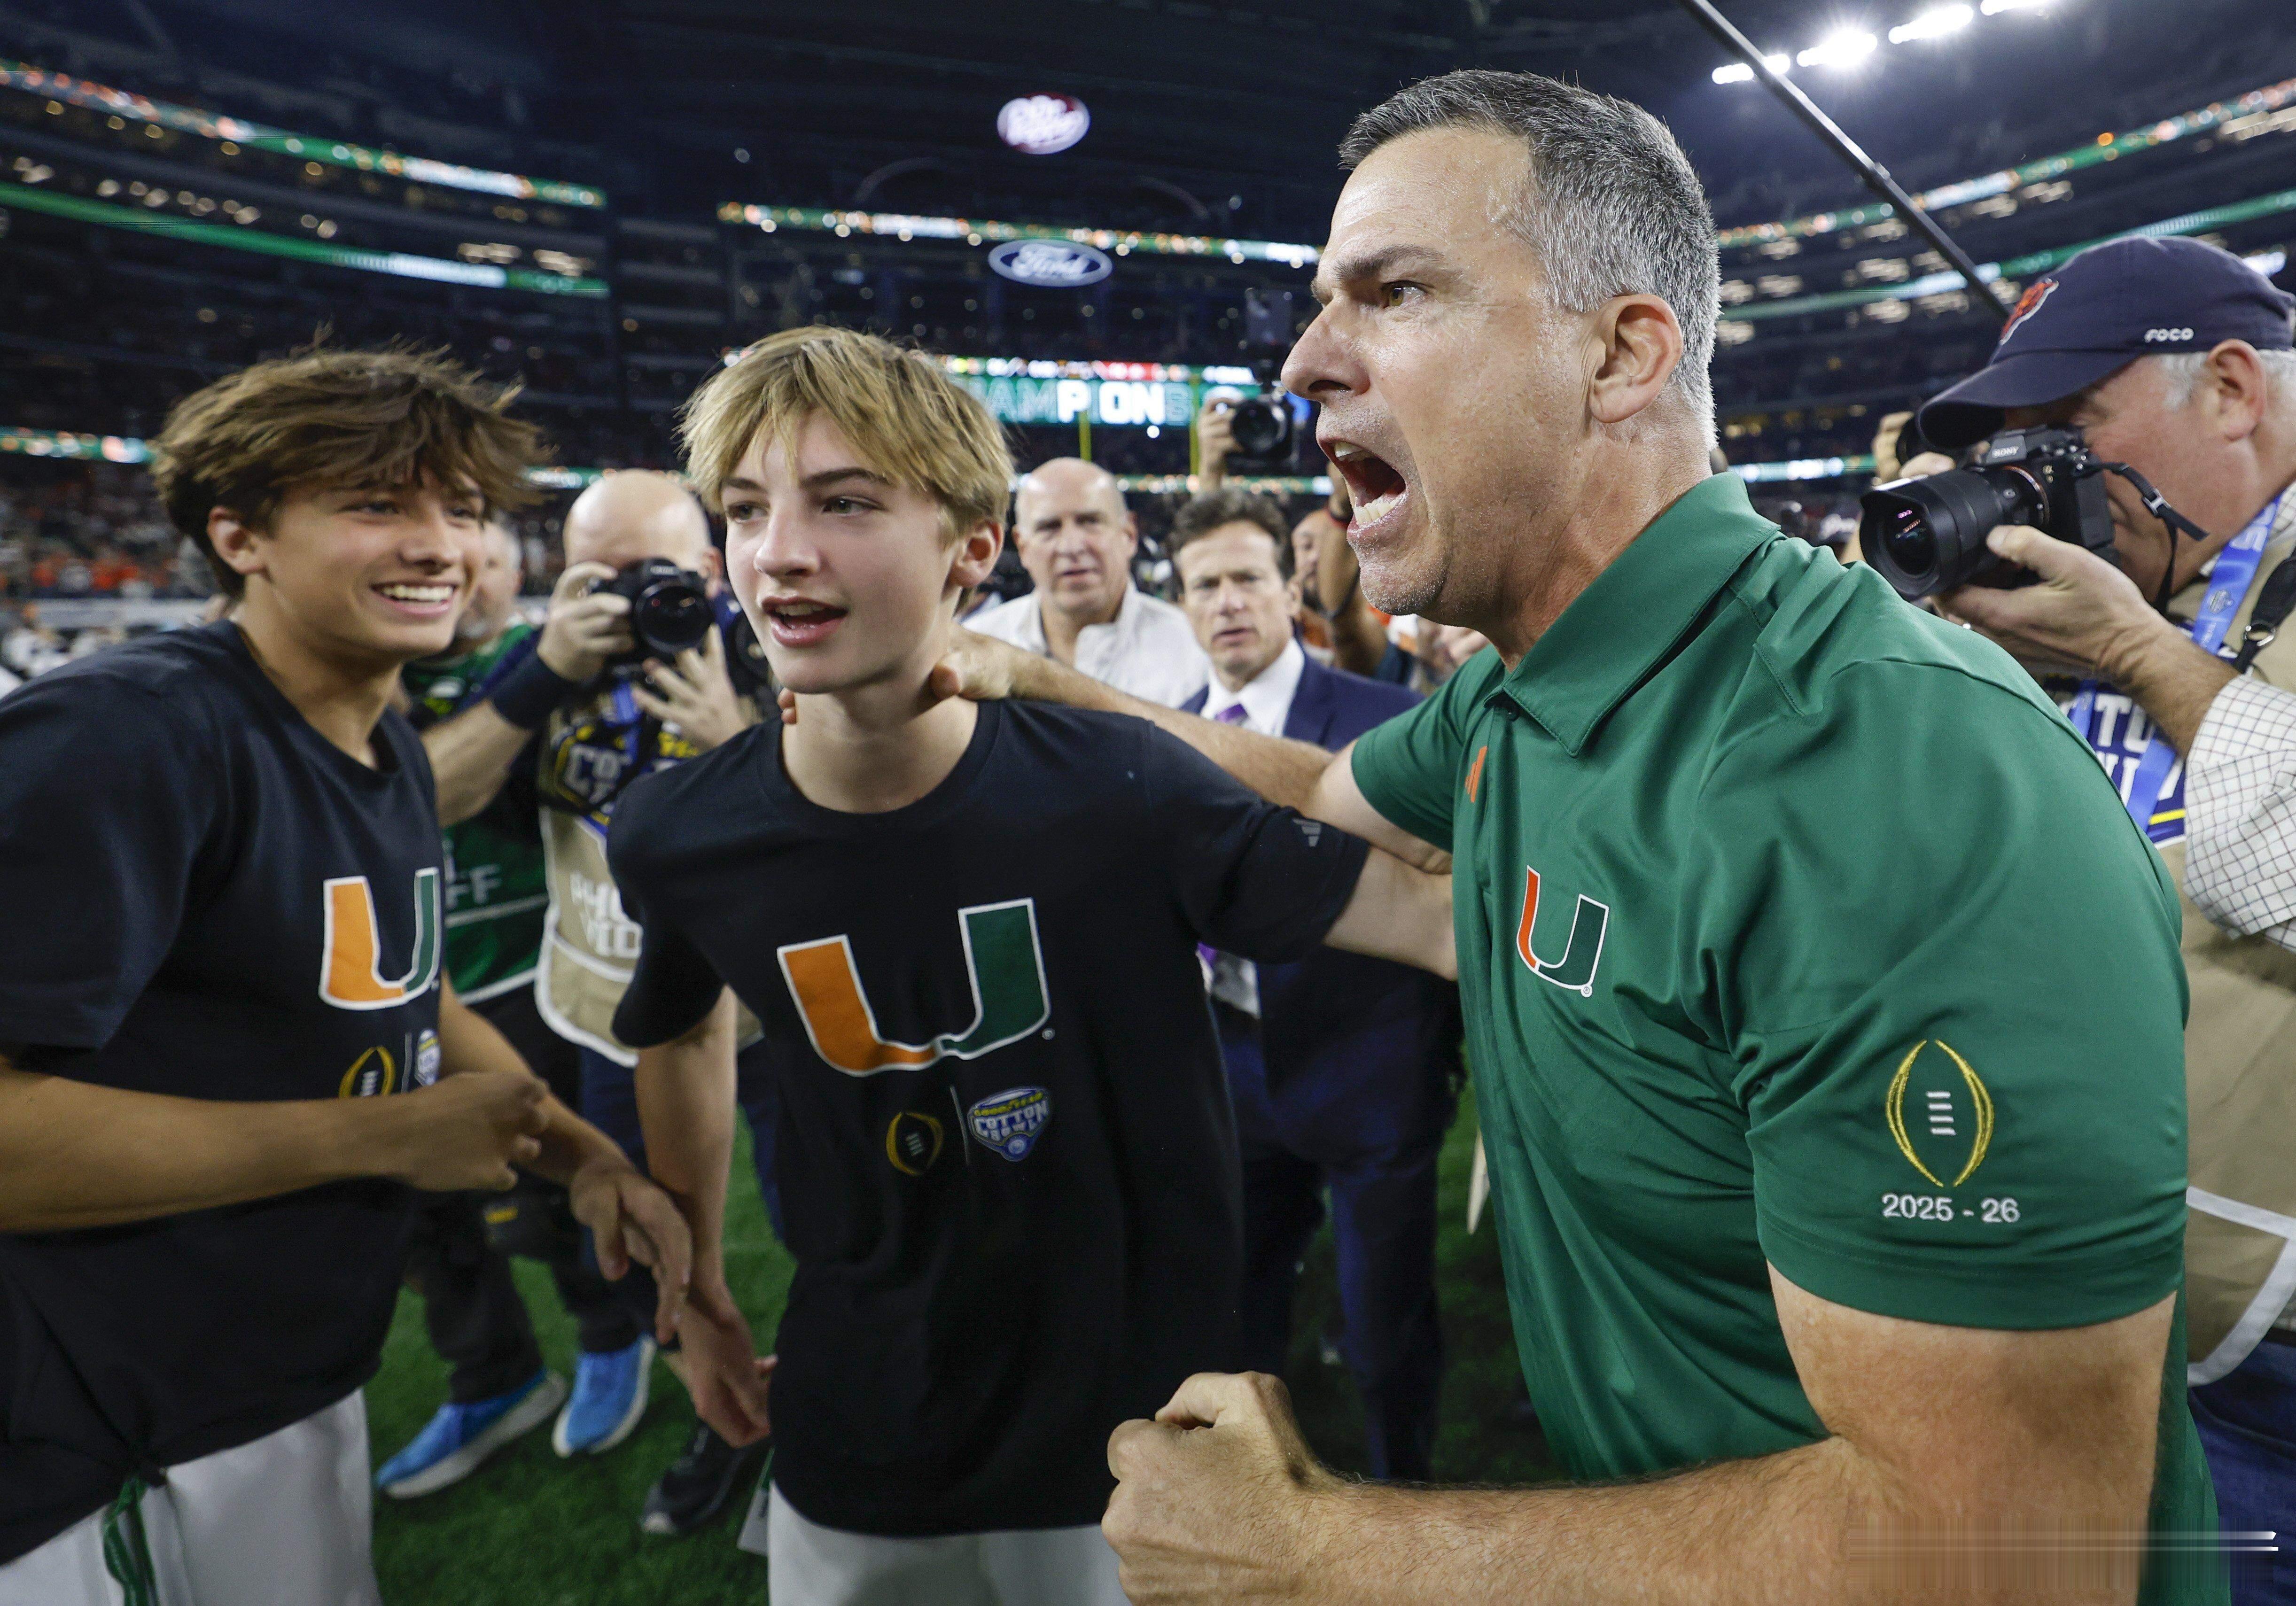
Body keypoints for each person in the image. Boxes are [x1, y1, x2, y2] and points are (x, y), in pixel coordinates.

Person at [930, 69, 2225, 1605]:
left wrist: (1312, 1549)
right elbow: (1315, 792)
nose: (1304, 360)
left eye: (1391, 292)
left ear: (1618, 355)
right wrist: (1039, 685)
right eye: (1322, 303)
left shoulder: (1895, 781)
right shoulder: (1523, 686)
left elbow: (2003, 1552)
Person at [603, 325, 1454, 1606]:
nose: (778, 550)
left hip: (1130, 1442)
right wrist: (702, 1293)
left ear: (970, 547)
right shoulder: (677, 831)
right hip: (856, 1429)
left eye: (843, 502)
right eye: (744, 509)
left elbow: (1440, 912)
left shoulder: (1125, 784)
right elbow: (677, 1028)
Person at [0, 348, 687, 1606]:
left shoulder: (379, 737)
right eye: (377, 502)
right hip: (99, 1430)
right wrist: (378, 1136)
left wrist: (584, 1157)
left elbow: (399, 986)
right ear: (240, 535)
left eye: (464, 508)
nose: (441, 544)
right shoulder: (124, 733)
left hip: (273, 1373)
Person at [1907, 234, 2296, 1601]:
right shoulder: (2095, 592)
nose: (2034, 478)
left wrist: (2132, 649)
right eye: (2011, 446)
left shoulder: (2129, 615)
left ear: (2232, 389)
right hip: (2090, 1291)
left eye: (2067, 430)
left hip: (2273, 1362)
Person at [413, 470, 785, 1535]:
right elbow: (431, 797)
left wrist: (740, 739)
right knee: (636, 1241)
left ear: (708, 568)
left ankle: (812, 1405)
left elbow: (859, 830)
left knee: (828, 1224)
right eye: (595, 576)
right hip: (612, 1014)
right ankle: (723, 1412)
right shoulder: (539, 662)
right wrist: (547, 672)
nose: (624, 599)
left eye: (650, 574)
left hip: (774, 1014)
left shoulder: (770, 642)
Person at [1168, 487, 1458, 1480]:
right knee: (1242, 1309)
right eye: (1204, 584)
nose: (1227, 601)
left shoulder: (1389, 717)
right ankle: (1256, 1488)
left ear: (1286, 586)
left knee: (1384, 1324)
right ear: (1181, 604)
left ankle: (1403, 1490)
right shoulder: (1168, 735)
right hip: (1232, 1071)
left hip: (1369, 1068)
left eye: (1246, 576)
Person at [375, 518, 656, 1499]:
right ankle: (492, 1375)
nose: (468, 574)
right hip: (393, 981)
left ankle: (610, 1335)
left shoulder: (559, 656)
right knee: (416, 1213)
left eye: (490, 558)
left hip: (526, 970)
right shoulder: (361, 665)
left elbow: (428, 794)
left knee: (554, 1184)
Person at [965, 457, 1208, 706]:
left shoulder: (1196, 651)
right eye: (1049, 528)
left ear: (1129, 535)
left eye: (1090, 522)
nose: (1071, 547)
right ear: (1023, 547)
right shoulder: (976, 647)